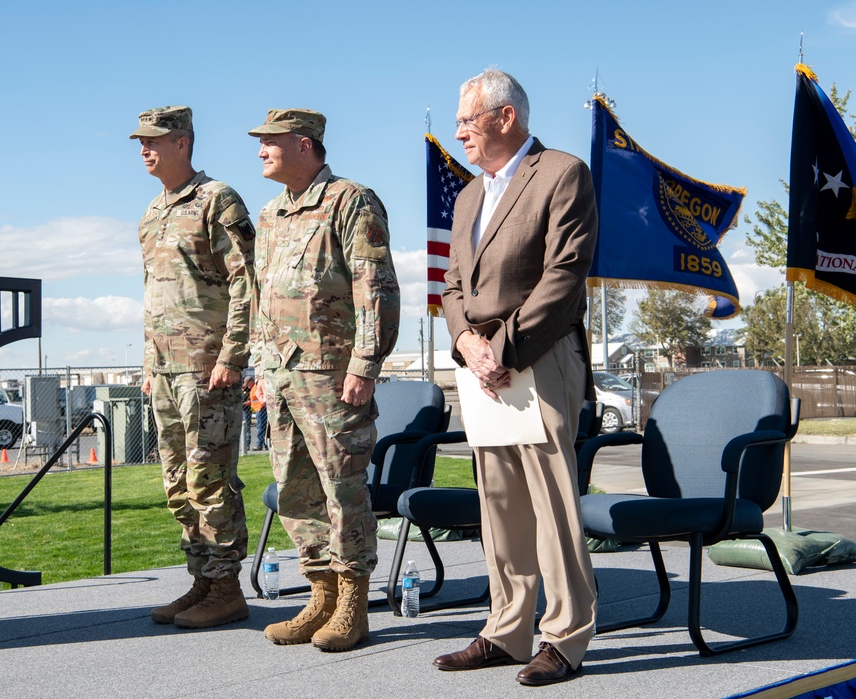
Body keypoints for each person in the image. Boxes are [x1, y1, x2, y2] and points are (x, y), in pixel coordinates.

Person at [436, 70, 599, 686]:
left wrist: (502, 347)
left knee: (552, 505)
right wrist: (467, 344)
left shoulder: (561, 173)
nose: (460, 133)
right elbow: (452, 287)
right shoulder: (470, 196)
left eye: (467, 120)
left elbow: (564, 273)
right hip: (482, 365)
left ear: (506, 118)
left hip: (540, 355)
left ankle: (565, 637)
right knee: (499, 504)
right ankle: (506, 630)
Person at [247, 108, 400, 652]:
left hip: (332, 378)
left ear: (305, 145)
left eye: (270, 141)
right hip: (281, 377)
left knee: (342, 488)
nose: (261, 150)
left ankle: (353, 606)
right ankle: (320, 596)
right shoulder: (271, 215)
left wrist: (365, 363)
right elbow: (263, 299)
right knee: (295, 490)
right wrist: (260, 367)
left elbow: (375, 287)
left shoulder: (350, 200)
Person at [132, 105, 254, 629]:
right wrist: (148, 363)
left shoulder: (217, 200)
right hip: (165, 370)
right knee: (177, 482)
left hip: (207, 369)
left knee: (210, 477)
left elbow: (246, 283)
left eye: (155, 140)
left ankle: (226, 587)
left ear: (184, 143)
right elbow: (155, 297)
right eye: (140, 141)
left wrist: (233, 355)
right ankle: (201, 579)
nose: (144, 149)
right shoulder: (150, 214)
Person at [242, 376, 256, 452]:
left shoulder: (251, 390)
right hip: (240, 410)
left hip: (246, 410)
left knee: (247, 428)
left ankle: (246, 445)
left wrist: (243, 404)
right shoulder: (242, 390)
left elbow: (250, 401)